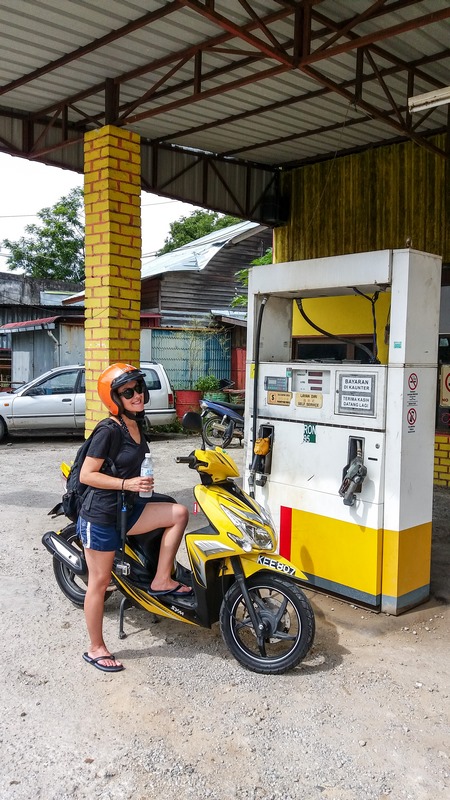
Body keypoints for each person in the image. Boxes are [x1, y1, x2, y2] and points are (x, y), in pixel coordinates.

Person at [77, 362, 191, 673]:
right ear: (115, 398)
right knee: (99, 582)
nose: (137, 394)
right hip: (101, 515)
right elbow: (88, 475)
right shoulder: (107, 430)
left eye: (139, 388)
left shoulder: (138, 425)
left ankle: (161, 578)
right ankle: (95, 648)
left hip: (128, 510)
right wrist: (127, 483)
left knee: (178, 513)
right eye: (128, 392)